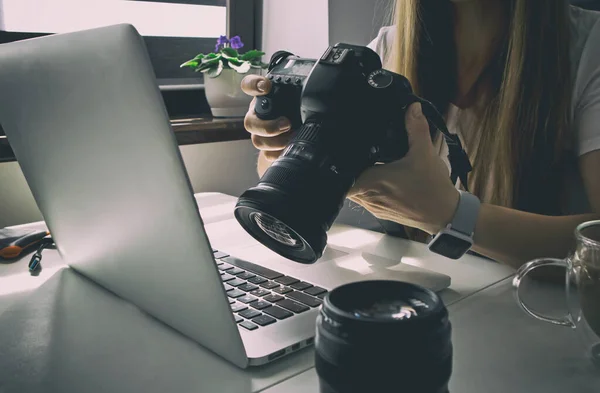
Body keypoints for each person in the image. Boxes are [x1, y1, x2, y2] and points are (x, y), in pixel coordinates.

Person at [240, 0, 600, 269]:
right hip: (422, 291)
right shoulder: (385, 51)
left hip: (539, 316)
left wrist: (449, 214)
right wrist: (282, 144)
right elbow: (283, 178)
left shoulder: (587, 46)